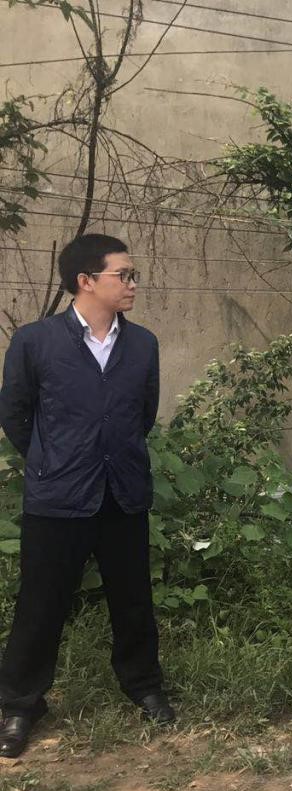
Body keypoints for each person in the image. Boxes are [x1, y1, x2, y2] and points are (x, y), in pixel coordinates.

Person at [0, 233, 173, 759]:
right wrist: (52, 459)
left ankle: (143, 685)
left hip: (122, 492)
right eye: (124, 274)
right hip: (58, 496)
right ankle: (19, 704)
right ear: (86, 281)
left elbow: (142, 415)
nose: (133, 283)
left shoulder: (142, 344)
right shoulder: (36, 341)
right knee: (40, 603)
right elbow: (15, 414)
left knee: (133, 598)